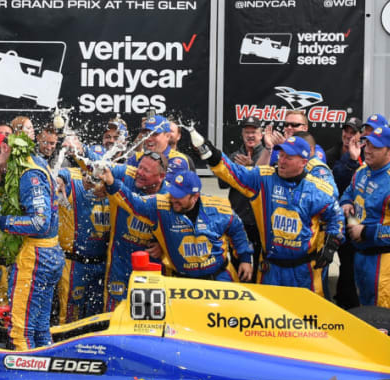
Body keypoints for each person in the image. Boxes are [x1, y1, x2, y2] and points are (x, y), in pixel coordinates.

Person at [206, 135, 344, 295]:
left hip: (305, 271)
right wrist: (211, 154)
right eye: (281, 155)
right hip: (270, 269)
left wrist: (330, 246)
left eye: (289, 157)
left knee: (307, 317)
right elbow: (233, 172)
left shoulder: (318, 189)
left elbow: (336, 217)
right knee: (269, 316)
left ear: (303, 163)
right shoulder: (263, 178)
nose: (282, 161)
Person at [0, 132, 64, 350]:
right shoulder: (32, 162)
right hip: (50, 254)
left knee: (20, 331)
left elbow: (39, 222)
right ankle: (45, 375)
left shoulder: (27, 173)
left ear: (4, 149)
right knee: (40, 328)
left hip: (36, 258)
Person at [100, 169, 253, 281]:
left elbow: (237, 230)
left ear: (195, 197)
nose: (173, 198)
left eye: (179, 196)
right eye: (172, 192)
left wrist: (245, 258)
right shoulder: (160, 205)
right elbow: (134, 203)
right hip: (179, 281)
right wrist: (112, 184)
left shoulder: (220, 208)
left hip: (219, 277)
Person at [339, 119, 390, 309]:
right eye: (366, 143)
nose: (367, 150)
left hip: (388, 260)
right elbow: (348, 193)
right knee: (366, 313)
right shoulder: (362, 171)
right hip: (362, 255)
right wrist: (346, 204)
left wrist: (366, 232)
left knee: (383, 318)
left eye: (375, 147)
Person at [103, 151, 168, 312]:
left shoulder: (169, 198)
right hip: (119, 265)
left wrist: (165, 247)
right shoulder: (127, 176)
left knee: (145, 321)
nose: (139, 173)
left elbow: (183, 234)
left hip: (151, 272)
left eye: (146, 171)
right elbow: (98, 164)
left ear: (161, 176)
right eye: (139, 167)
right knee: (113, 320)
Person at [55, 168, 110, 323]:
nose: (94, 183)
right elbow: (63, 174)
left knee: (97, 315)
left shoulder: (112, 189)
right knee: (70, 315)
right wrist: (60, 177)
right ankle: (64, 344)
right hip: (75, 263)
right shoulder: (75, 184)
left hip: (102, 263)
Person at [218, 116, 265, 278]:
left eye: (254, 132)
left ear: (261, 134)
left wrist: (250, 168)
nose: (250, 135)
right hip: (239, 221)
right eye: (247, 132)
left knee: (261, 266)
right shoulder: (234, 157)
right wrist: (235, 170)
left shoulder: (268, 155)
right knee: (238, 263)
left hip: (260, 220)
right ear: (242, 134)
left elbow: (266, 181)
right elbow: (222, 184)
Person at [327, 117, 363, 309]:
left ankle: (348, 302)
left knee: (351, 261)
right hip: (336, 213)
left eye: (352, 132)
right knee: (340, 258)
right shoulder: (332, 153)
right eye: (346, 130)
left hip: (357, 215)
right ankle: (341, 301)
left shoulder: (366, 153)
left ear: (360, 135)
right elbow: (337, 182)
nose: (348, 135)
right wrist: (350, 159)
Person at [257, 110, 326, 166]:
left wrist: (288, 145)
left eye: (294, 125)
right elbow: (258, 172)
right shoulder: (278, 147)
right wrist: (268, 147)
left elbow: (309, 171)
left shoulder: (314, 148)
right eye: (286, 124)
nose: (289, 127)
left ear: (305, 128)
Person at [126, 115, 191, 175]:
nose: (149, 138)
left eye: (154, 134)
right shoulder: (136, 157)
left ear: (167, 136)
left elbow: (160, 185)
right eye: (146, 134)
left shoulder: (178, 160)